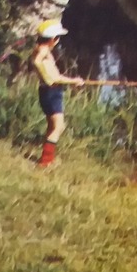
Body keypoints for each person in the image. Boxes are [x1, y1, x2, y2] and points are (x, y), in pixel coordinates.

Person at [32, 19, 85, 167]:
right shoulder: (43, 50)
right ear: (52, 39)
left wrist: (71, 82)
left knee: (51, 126)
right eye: (57, 37)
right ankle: (46, 162)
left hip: (48, 91)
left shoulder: (42, 49)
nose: (58, 40)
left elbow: (56, 77)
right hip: (51, 92)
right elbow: (39, 64)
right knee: (59, 127)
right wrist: (73, 80)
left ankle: (46, 159)